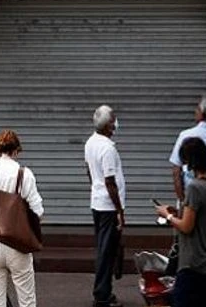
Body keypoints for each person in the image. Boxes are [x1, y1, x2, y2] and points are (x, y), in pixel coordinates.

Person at [0, 130, 44, 307]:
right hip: (18, 245)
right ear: (16, 151)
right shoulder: (24, 175)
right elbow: (38, 211)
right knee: (27, 301)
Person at [156, 137, 206, 307]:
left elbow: (187, 226)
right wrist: (179, 212)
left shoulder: (195, 187)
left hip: (194, 263)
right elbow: (201, 218)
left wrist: (168, 216)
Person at [85, 105, 126, 307]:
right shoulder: (107, 148)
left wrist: (95, 187)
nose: (116, 123)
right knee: (106, 251)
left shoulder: (90, 142)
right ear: (109, 125)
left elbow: (89, 171)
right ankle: (102, 295)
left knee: (104, 248)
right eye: (114, 119)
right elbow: (110, 181)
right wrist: (119, 210)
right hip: (108, 207)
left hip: (97, 203)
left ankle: (104, 292)